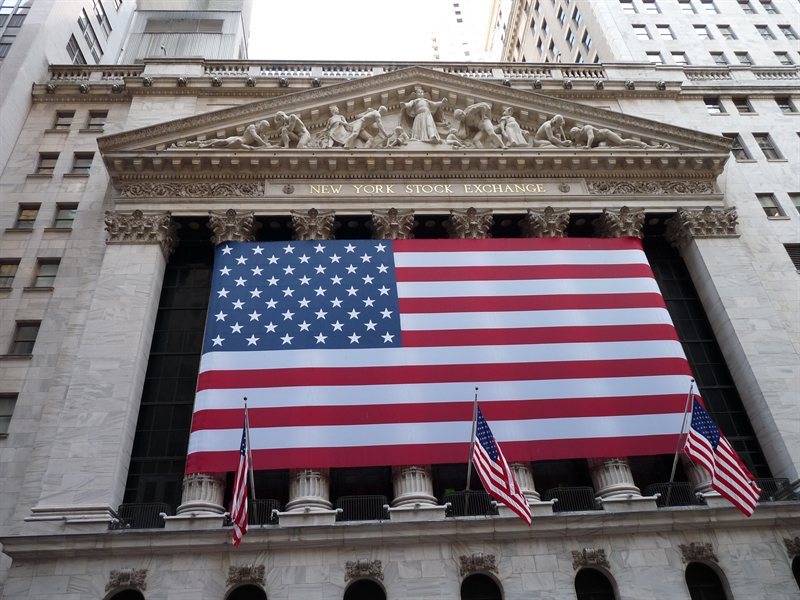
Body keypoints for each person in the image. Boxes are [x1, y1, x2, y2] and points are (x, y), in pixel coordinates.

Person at [182, 120, 272, 149]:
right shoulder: (252, 127)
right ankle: (204, 145)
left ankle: (216, 147)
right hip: (239, 139)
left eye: (266, 129)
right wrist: (265, 144)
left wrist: (265, 141)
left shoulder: (260, 135)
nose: (264, 130)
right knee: (224, 141)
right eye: (264, 128)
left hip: (240, 143)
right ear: (261, 125)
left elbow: (260, 145)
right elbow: (255, 137)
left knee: (236, 143)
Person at [568, 124, 663, 149]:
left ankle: (642, 144)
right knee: (603, 147)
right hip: (602, 142)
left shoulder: (586, 128)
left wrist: (588, 146)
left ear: (576, 132)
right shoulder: (579, 137)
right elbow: (576, 144)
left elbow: (591, 137)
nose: (574, 138)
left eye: (574, 136)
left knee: (622, 142)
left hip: (606, 134)